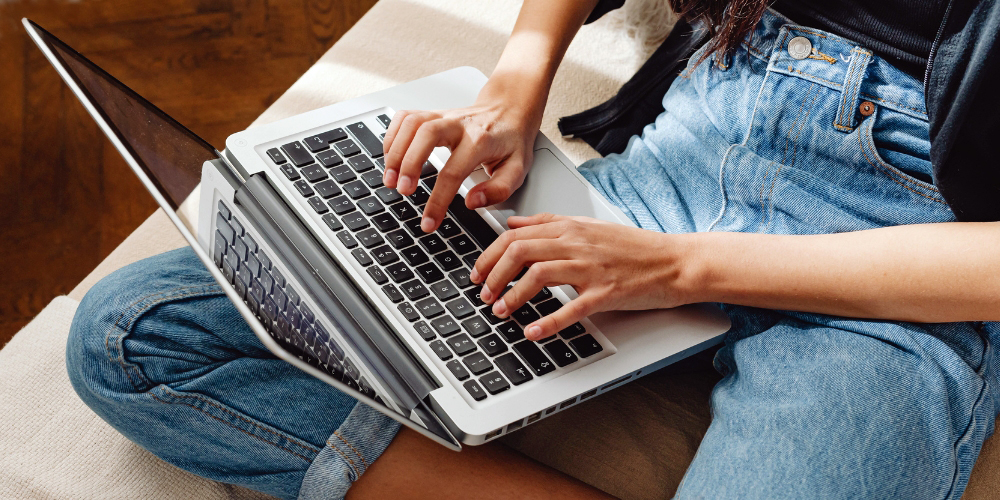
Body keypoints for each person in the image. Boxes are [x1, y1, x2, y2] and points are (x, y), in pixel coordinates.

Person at [67, 0, 1000, 498]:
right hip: (693, 143)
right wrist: (513, 86)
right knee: (136, 336)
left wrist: (678, 269)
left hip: (902, 258)